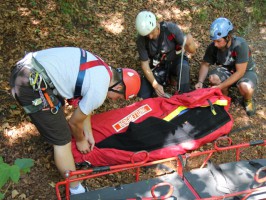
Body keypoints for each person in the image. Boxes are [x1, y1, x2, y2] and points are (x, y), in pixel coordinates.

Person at [9, 47, 141, 195]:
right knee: (63, 140)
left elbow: (83, 103)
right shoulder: (100, 90)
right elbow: (74, 123)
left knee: (59, 110)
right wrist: (80, 140)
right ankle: (77, 190)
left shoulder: (103, 68)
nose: (117, 101)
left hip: (27, 67)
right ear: (118, 86)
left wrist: (88, 132)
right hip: (29, 84)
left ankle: (51, 129)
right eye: (120, 97)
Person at [195, 17, 258, 116]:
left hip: (244, 72)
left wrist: (220, 86)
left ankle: (247, 100)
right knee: (213, 78)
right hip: (227, 71)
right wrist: (200, 82)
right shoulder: (213, 47)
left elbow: (240, 72)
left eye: (218, 41)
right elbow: (205, 64)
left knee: (246, 87)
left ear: (228, 37)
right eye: (214, 40)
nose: (215, 44)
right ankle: (224, 98)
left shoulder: (240, 45)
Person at [135, 10, 196, 99]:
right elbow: (144, 65)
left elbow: (192, 50)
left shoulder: (170, 29)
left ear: (156, 25)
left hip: (175, 61)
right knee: (143, 93)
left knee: (184, 67)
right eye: (147, 35)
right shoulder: (141, 39)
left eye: (151, 33)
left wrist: (190, 43)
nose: (150, 37)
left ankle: (183, 97)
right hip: (159, 66)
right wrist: (155, 85)